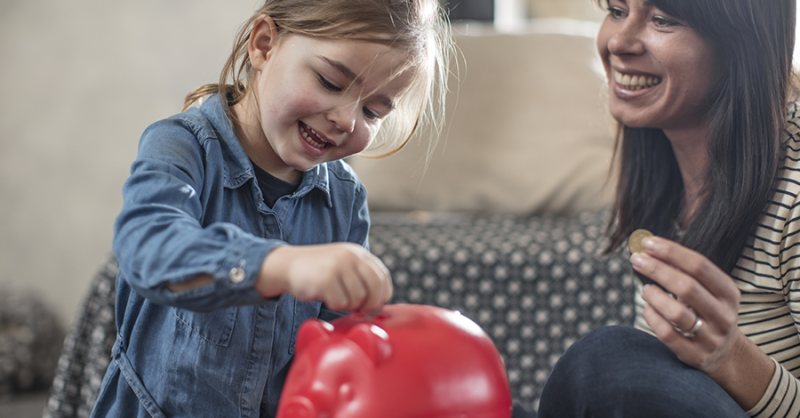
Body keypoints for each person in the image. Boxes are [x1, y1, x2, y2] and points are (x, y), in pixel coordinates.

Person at [89, 0, 452, 416]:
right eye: (332, 83)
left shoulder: (346, 202)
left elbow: (335, 350)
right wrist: (279, 265)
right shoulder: (180, 146)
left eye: (373, 111)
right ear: (263, 44)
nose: (347, 120)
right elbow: (148, 250)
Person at [516, 0, 800, 417]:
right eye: (615, 10)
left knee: (607, 363)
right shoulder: (663, 155)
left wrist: (729, 357)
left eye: (663, 19)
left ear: (742, 45)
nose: (618, 41)